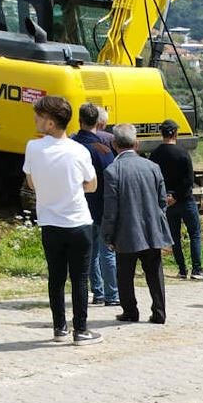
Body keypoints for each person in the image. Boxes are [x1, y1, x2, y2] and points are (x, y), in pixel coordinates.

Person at [23, 96, 102, 346]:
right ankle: (81, 330)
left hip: (50, 224)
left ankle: (59, 328)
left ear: (50, 123)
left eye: (39, 116)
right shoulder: (79, 150)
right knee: (80, 278)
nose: (35, 118)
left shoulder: (33, 148)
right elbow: (91, 185)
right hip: (78, 222)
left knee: (55, 278)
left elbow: (31, 182)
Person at [103, 124, 174, 324]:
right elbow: (162, 201)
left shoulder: (112, 171)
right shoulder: (152, 167)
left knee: (124, 274)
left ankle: (130, 311)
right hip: (152, 230)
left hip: (126, 232)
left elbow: (111, 210)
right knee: (154, 272)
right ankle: (159, 312)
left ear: (113, 144)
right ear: (137, 143)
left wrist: (108, 235)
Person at [149, 120, 203, 280]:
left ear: (161, 133)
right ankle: (197, 270)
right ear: (175, 133)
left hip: (167, 202)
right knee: (195, 234)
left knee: (174, 236)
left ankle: (182, 270)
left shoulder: (155, 154)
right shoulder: (183, 153)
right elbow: (189, 179)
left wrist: (167, 197)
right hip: (185, 200)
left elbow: (154, 179)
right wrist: (177, 196)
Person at [72, 103, 119, 306]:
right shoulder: (103, 149)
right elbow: (112, 180)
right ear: (99, 122)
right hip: (101, 207)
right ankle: (112, 295)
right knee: (106, 252)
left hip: (78, 208)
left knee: (88, 253)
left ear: (80, 121)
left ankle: (97, 292)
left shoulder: (71, 145)